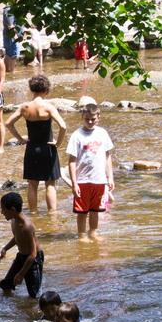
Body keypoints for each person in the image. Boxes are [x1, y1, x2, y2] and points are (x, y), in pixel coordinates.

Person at [5, 74, 67, 212]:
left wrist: (21, 139)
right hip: (48, 147)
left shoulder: (24, 107)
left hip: (32, 148)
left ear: (31, 89)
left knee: (32, 184)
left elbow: (8, 123)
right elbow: (63, 126)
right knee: (50, 184)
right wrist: (58, 143)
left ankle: (33, 212)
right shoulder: (48, 107)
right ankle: (52, 214)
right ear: (46, 90)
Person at [67, 103, 114, 242]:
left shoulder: (102, 133)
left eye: (93, 119)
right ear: (82, 117)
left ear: (98, 117)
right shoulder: (77, 135)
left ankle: (93, 232)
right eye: (87, 119)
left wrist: (110, 177)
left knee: (96, 210)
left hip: (99, 179)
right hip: (82, 180)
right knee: (82, 211)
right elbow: (71, 160)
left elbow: (107, 156)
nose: (90, 122)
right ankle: (81, 235)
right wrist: (74, 182)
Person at [0, 191, 43, 298]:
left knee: (34, 295)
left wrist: (21, 274)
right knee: (6, 285)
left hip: (34, 260)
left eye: (4, 210)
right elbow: (17, 238)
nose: (2, 213)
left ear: (12, 209)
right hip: (21, 256)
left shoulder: (26, 227)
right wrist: (5, 249)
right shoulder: (14, 220)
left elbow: (33, 254)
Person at [2, 4, 18, 73]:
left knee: (8, 53)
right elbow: (10, 25)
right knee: (13, 54)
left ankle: (7, 70)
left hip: (9, 35)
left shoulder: (13, 8)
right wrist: (15, 36)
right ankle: (12, 71)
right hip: (10, 35)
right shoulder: (9, 10)